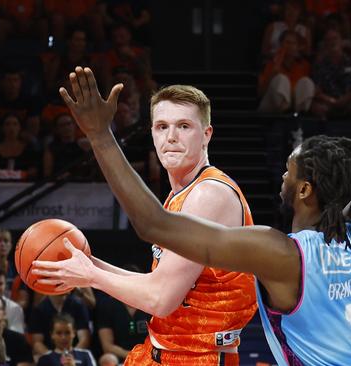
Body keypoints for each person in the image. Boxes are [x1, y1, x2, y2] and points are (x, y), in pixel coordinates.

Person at [33, 0, 351, 363]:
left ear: (304, 190)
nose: (282, 172)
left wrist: (101, 136)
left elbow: (152, 227)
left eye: (290, 169)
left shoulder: (283, 254)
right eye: (162, 127)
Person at [39, 81, 258, 365]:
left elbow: (160, 300)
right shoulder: (178, 196)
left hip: (199, 357)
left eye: (183, 126)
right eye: (162, 126)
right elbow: (157, 283)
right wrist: (89, 264)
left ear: (206, 135)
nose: (171, 137)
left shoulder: (209, 194)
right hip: (164, 351)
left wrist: (91, 276)